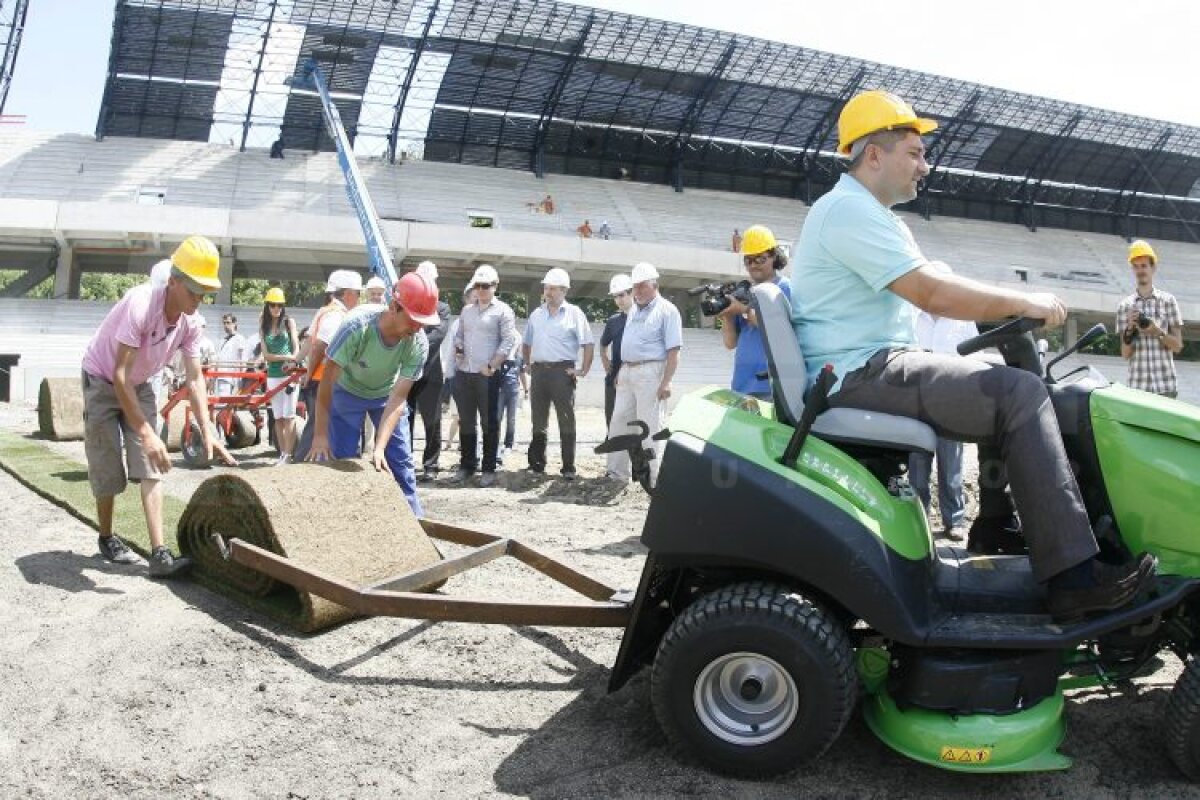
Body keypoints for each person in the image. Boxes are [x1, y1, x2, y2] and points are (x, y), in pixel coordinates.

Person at [789, 89, 1155, 622]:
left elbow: (936, 285)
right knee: (1020, 393)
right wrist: (1022, 301)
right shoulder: (847, 210)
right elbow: (932, 293)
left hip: (869, 364)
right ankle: (1073, 579)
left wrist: (1005, 306)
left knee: (998, 382)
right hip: (858, 372)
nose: (925, 166)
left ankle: (995, 528)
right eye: (914, 153)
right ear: (873, 155)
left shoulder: (873, 215)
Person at [82, 235, 236, 577]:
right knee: (108, 466)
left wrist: (207, 428)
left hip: (140, 383)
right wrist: (147, 433)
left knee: (152, 464)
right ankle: (106, 536)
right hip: (103, 379)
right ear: (174, 282)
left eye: (204, 292)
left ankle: (159, 554)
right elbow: (119, 376)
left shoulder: (191, 322)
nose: (199, 299)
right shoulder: (140, 305)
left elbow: (195, 379)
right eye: (194, 291)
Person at [305, 273, 439, 516]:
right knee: (343, 461)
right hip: (347, 392)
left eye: (423, 322)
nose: (418, 328)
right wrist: (320, 435)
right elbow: (327, 382)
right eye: (413, 320)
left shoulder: (418, 342)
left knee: (400, 461)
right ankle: (345, 519)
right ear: (394, 306)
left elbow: (398, 398)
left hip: (386, 395)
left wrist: (379, 448)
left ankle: (414, 521)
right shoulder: (356, 327)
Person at [906, 263, 979, 543]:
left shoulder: (963, 317)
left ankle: (955, 520)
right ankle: (919, 520)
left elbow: (974, 358)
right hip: (915, 400)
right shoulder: (911, 315)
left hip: (951, 399)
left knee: (952, 465)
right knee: (917, 466)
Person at [605, 262, 682, 488]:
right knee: (619, 423)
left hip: (651, 371)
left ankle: (657, 481)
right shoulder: (633, 311)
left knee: (651, 428)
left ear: (654, 285)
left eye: (642, 286)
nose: (637, 291)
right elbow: (629, 343)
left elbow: (674, 351)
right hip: (627, 371)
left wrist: (667, 381)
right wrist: (622, 369)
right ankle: (616, 476)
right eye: (634, 286)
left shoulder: (667, 311)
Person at [522, 268, 595, 479]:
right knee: (538, 419)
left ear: (564, 290)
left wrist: (582, 370)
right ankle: (537, 464)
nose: (548, 292)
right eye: (546, 288)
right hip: (539, 372)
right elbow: (526, 342)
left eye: (553, 288)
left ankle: (568, 467)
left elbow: (588, 343)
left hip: (562, 372)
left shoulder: (574, 313)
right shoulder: (536, 315)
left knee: (566, 419)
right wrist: (527, 364)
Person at [451, 264, 518, 487]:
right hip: (465, 373)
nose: (480, 290)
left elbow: (508, 340)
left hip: (487, 375)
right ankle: (467, 465)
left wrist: (492, 365)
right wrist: (459, 349)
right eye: (477, 286)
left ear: (495, 286)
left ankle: (488, 468)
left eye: (485, 286)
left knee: (489, 423)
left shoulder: (503, 311)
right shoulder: (467, 311)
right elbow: (459, 335)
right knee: (466, 422)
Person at [294, 269, 362, 461]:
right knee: (318, 425)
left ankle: (311, 462)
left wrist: (297, 361)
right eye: (358, 294)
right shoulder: (336, 316)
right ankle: (300, 463)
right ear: (347, 294)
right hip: (326, 379)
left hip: (323, 378)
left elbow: (309, 342)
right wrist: (309, 373)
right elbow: (319, 346)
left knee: (321, 424)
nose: (359, 298)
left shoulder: (325, 311)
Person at [718, 224, 792, 399]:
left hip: (771, 386)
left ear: (774, 256)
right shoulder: (745, 293)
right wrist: (728, 316)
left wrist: (744, 310)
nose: (753, 265)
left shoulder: (785, 288)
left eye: (759, 259)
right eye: (748, 260)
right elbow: (730, 343)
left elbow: (782, 330)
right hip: (741, 385)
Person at [1117, 239, 1183, 398]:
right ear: (1132, 269)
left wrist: (1157, 331)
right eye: (1136, 266)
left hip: (1165, 386)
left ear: (1153, 268)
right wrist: (1130, 329)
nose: (1140, 270)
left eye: (1144, 265)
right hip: (1137, 387)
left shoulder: (1169, 301)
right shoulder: (1124, 306)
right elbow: (1125, 354)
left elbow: (1178, 346)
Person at [406, 261, 451, 481]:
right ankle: (404, 461)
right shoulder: (406, 304)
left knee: (432, 421)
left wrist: (414, 342)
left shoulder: (441, 308)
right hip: (406, 372)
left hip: (430, 372)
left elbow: (438, 335)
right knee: (404, 418)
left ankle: (431, 465)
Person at [260, 287, 300, 464]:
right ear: (267, 306)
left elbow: (297, 347)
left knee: (289, 416)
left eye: (279, 305)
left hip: (289, 375)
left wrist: (293, 360)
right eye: (272, 305)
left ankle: (288, 455)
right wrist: (287, 357)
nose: (276, 308)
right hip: (273, 375)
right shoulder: (263, 323)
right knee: (277, 417)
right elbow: (266, 355)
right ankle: (282, 454)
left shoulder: (289, 322)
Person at [600, 274, 633, 479]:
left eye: (622, 295)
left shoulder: (642, 318)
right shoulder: (613, 321)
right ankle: (614, 470)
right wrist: (606, 362)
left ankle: (638, 469)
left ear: (632, 293)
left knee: (635, 426)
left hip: (634, 379)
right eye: (615, 296)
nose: (619, 300)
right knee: (613, 423)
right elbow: (603, 344)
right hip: (613, 381)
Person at [213, 313, 251, 397]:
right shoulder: (222, 341)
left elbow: (243, 360)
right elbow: (218, 360)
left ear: (234, 324)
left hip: (232, 378)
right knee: (220, 402)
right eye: (224, 323)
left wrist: (241, 379)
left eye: (228, 323)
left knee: (226, 402)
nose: (226, 325)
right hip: (221, 376)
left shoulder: (239, 339)